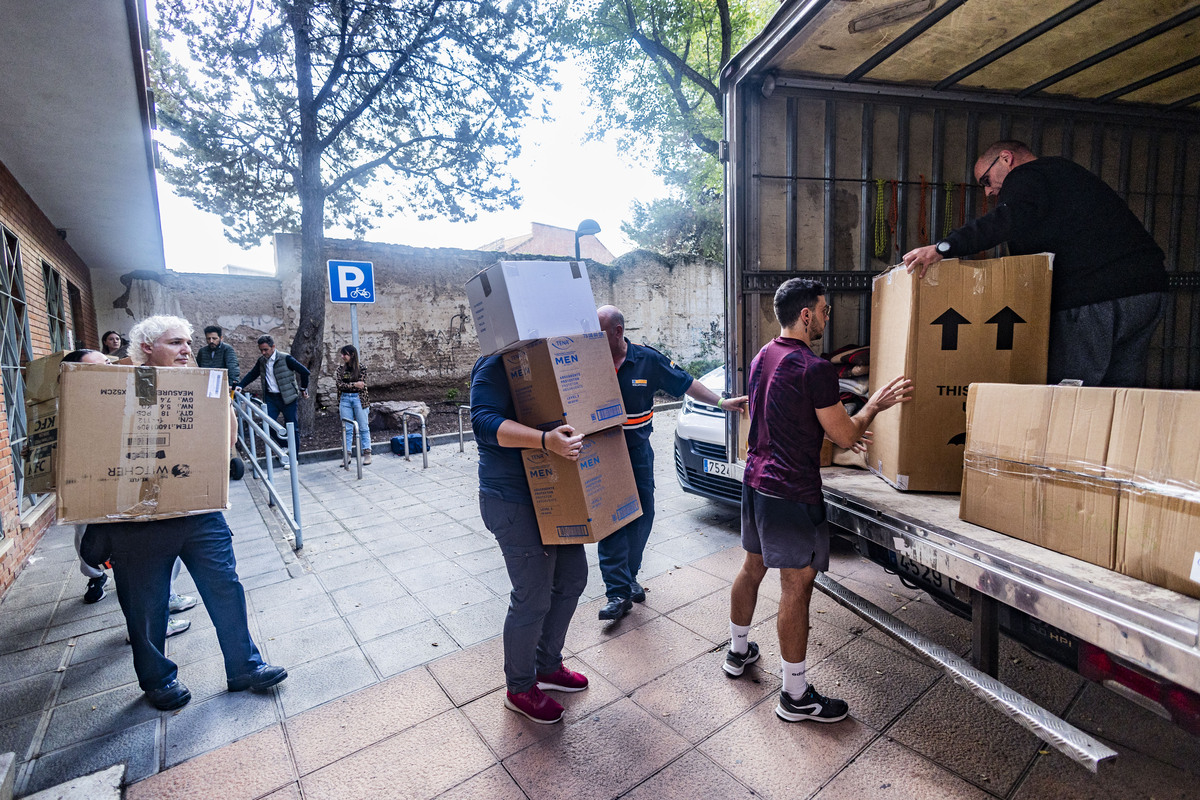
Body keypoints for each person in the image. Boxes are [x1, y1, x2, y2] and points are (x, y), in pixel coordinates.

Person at [724, 279, 911, 723]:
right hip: (791, 490)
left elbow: (766, 408)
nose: (828, 317)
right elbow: (844, 435)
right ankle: (794, 695)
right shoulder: (815, 367)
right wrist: (874, 406)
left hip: (756, 479)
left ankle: (737, 651)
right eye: (825, 310)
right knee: (797, 587)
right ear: (806, 315)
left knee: (752, 567)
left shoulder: (761, 356)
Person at [79, 315, 286, 711]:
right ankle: (158, 679)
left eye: (187, 342)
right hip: (139, 520)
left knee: (225, 587)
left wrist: (218, 403)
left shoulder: (198, 385)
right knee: (146, 604)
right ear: (146, 347)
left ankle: (245, 666)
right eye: (175, 343)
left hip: (199, 512)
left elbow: (226, 440)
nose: (187, 349)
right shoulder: (117, 385)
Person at [901, 140, 1168, 387]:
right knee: (1120, 393)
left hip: (1096, 296)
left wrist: (943, 248)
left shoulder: (1027, 176)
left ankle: (1069, 440)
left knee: (1072, 391)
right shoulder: (1065, 174)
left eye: (986, 180)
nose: (989, 191)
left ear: (1006, 159)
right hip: (1147, 291)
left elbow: (1006, 220)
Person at [594, 305, 748, 622]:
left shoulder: (647, 360)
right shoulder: (589, 364)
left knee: (643, 513)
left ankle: (629, 575)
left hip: (637, 450)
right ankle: (616, 592)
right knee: (612, 520)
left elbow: (685, 382)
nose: (593, 340)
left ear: (617, 331)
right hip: (605, 452)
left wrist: (721, 402)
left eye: (599, 333)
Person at [471, 354, 591, 724]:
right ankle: (519, 687)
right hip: (512, 499)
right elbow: (483, 422)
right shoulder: (495, 363)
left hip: (550, 494)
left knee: (572, 577)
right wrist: (544, 441)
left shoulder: (542, 361)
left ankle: (546, 665)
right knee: (533, 595)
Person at [60, 348, 197, 631]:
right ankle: (146, 628)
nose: (111, 368)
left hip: (141, 487)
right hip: (105, 497)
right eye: (100, 366)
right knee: (133, 569)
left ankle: (165, 603)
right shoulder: (76, 408)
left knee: (161, 554)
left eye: (109, 363)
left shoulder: (124, 390)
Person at [236, 335, 310, 469]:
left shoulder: (285, 358)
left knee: (292, 428)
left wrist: (303, 388)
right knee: (266, 425)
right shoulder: (262, 361)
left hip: (288, 398)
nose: (264, 353)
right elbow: (253, 374)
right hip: (271, 399)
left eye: (266, 350)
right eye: (261, 350)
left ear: (273, 347)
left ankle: (294, 459)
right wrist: (241, 385)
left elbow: (305, 372)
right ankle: (284, 445)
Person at [335, 345, 372, 464]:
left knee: (363, 427)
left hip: (359, 399)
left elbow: (362, 385)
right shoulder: (340, 369)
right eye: (342, 354)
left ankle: (367, 453)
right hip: (344, 399)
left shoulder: (362, 368)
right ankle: (347, 455)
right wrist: (354, 385)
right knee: (347, 428)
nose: (342, 357)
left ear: (352, 355)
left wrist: (352, 385)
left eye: (344, 354)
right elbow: (339, 385)